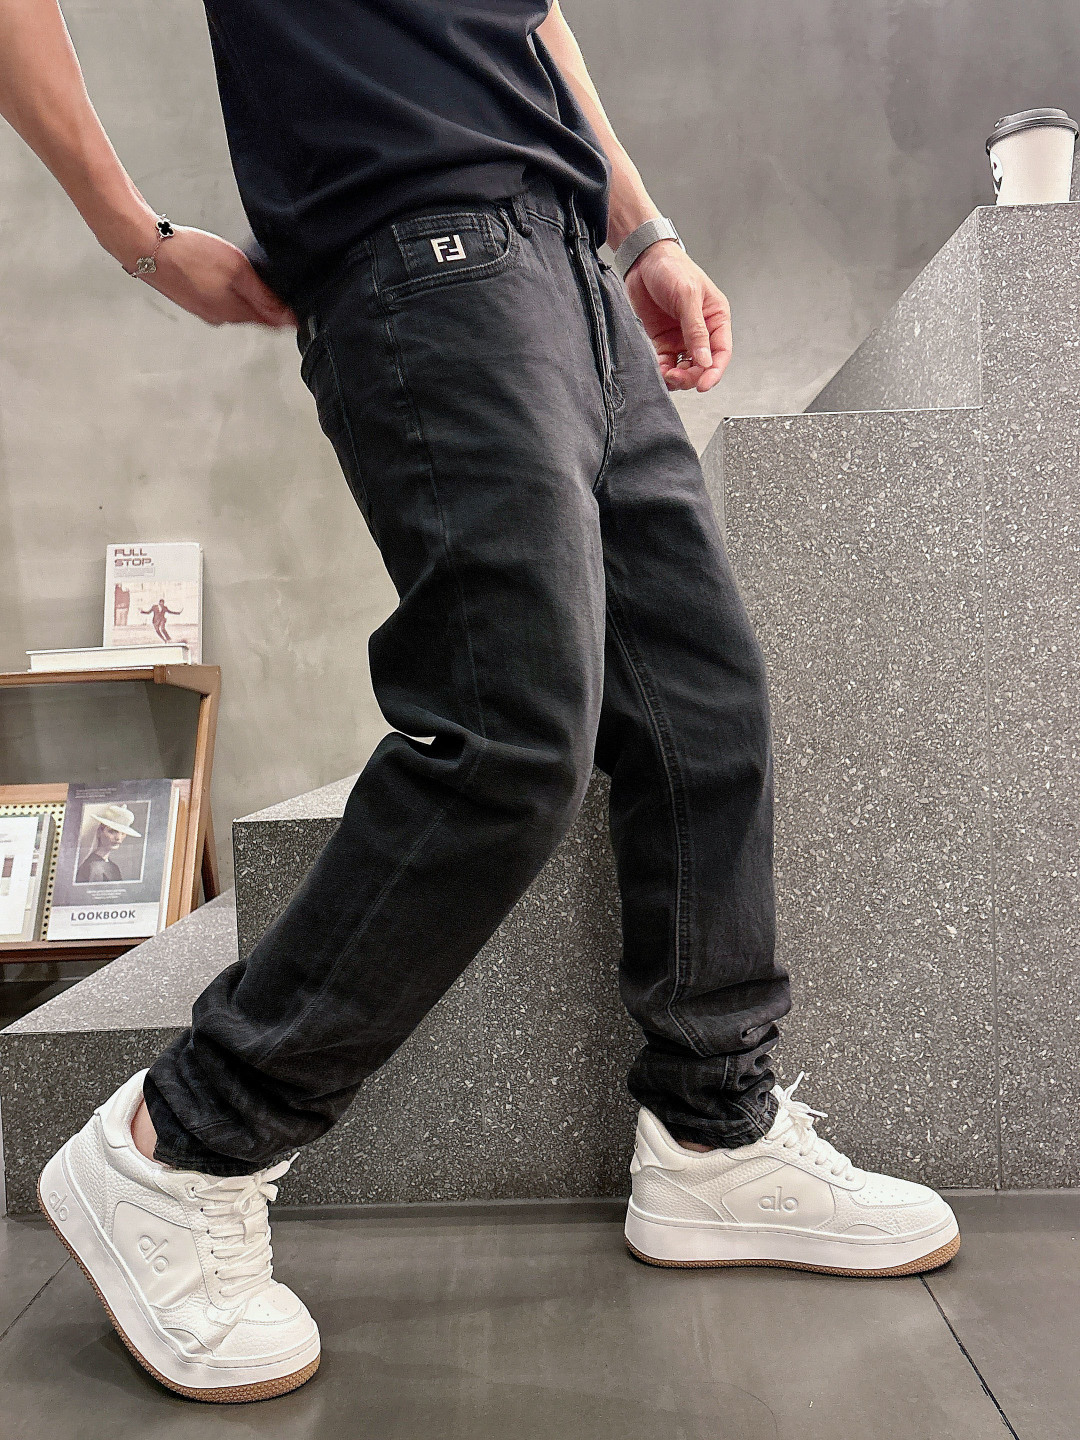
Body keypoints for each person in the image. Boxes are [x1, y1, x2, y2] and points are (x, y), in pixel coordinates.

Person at [3, 0, 960, 1405]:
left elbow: (534, 17)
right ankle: (181, 1144)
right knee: (505, 726)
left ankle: (713, 1136)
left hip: (568, 257)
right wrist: (135, 237)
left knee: (702, 710)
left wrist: (642, 231)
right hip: (418, 245)